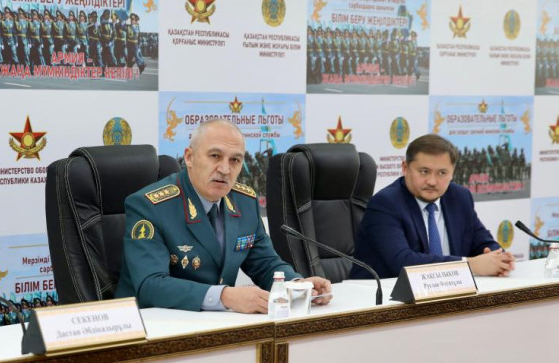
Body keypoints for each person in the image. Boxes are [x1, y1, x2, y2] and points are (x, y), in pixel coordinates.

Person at [115, 119, 332, 313]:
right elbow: (150, 285)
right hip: (150, 325)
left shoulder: (245, 202)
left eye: (235, 160)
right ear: (189, 157)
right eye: (215, 156)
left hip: (215, 326)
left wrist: (296, 285)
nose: (225, 169)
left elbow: (265, 263)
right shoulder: (150, 205)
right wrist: (225, 296)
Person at [351, 133, 515, 279]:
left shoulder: (459, 197)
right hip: (382, 298)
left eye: (442, 173)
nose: (432, 181)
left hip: (448, 293)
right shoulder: (385, 203)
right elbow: (403, 262)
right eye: (424, 171)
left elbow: (483, 242)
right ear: (405, 168)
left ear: (452, 173)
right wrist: (470, 265)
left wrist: (499, 259)